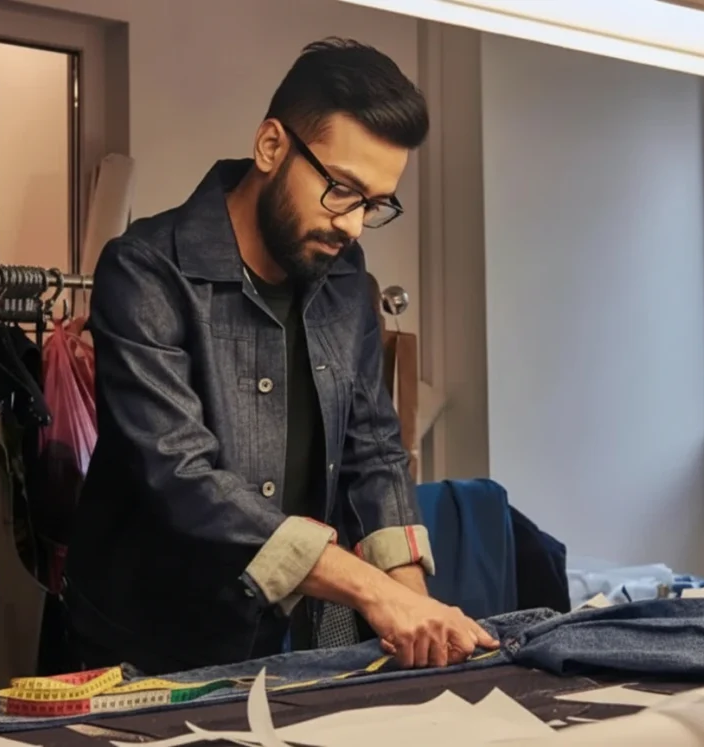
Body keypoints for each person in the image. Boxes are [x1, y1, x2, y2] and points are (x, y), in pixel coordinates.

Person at [64, 37, 498, 675]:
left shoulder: (346, 277)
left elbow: (373, 448)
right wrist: (371, 591)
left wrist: (412, 600)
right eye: (343, 190)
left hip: (277, 644)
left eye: (374, 205)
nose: (352, 225)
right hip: (144, 652)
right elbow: (180, 478)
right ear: (272, 146)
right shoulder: (146, 270)